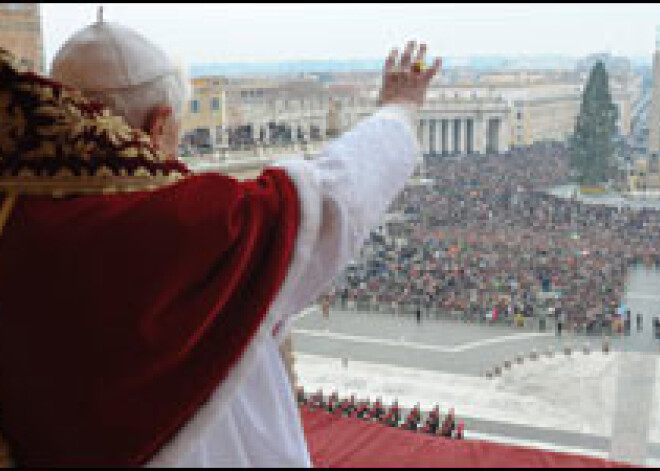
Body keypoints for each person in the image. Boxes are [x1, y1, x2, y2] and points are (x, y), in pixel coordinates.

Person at [0, 16, 440, 468]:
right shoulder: (185, 226)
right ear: (158, 126)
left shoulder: (13, 219)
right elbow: (326, 202)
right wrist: (400, 109)